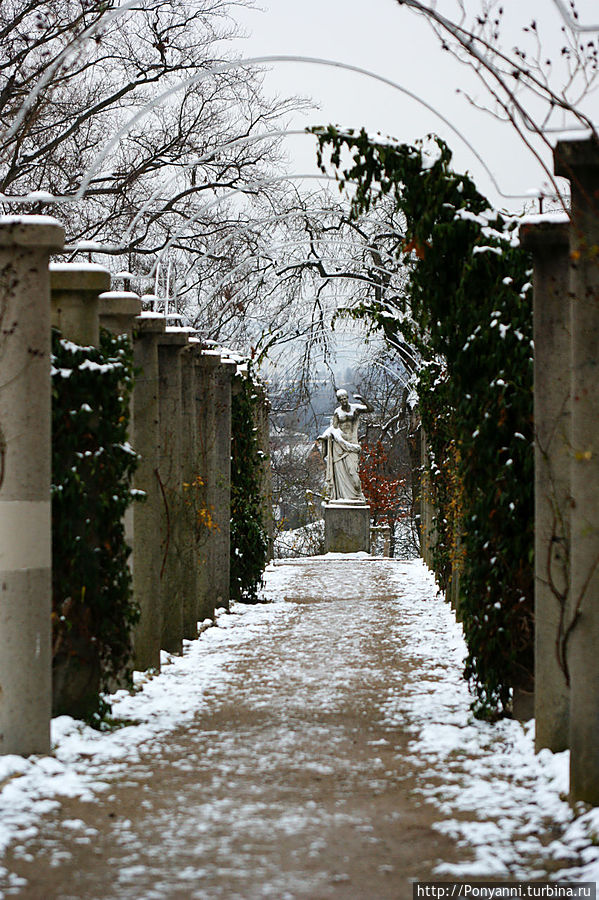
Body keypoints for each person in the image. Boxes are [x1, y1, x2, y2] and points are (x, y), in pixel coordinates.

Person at [318, 389, 372, 502]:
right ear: (339, 401)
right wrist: (324, 437)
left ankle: (358, 495)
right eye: (341, 399)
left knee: (352, 471)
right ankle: (342, 497)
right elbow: (333, 428)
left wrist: (362, 399)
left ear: (347, 398)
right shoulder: (337, 412)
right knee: (340, 472)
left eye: (345, 398)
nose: (343, 401)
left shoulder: (355, 408)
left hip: (352, 443)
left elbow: (370, 409)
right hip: (339, 444)